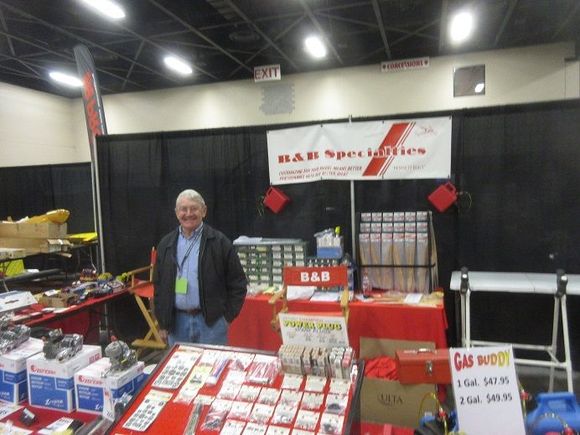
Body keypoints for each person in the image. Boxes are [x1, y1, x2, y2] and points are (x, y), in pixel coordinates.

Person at [153, 189, 247, 346]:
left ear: (204, 211)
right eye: (183, 209)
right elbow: (159, 286)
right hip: (176, 325)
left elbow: (238, 283)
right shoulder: (165, 244)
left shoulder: (219, 242)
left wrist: (226, 318)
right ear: (176, 213)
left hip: (211, 325)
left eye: (194, 208)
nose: (188, 213)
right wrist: (163, 322)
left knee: (213, 363)